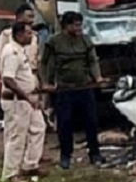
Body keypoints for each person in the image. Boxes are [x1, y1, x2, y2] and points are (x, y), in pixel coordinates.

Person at [40, 11, 107, 170]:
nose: (79, 28)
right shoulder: (54, 42)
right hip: (64, 90)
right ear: (67, 25)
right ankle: (65, 156)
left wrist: (98, 78)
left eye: (80, 25)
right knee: (65, 123)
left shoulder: (85, 40)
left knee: (91, 122)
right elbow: (45, 63)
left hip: (85, 88)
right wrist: (46, 83)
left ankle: (95, 153)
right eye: (76, 25)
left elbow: (92, 61)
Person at [0, 21, 47, 182]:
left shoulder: (21, 51)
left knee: (39, 128)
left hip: (28, 98)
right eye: (28, 33)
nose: (31, 36)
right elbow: (8, 79)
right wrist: (27, 97)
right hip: (17, 100)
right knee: (17, 136)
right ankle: (11, 173)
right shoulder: (11, 52)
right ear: (19, 35)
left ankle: (30, 164)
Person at [0, 4, 36, 98]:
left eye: (33, 17)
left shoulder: (34, 37)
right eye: (29, 16)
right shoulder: (6, 35)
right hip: (14, 78)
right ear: (19, 17)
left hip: (29, 78)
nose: (32, 20)